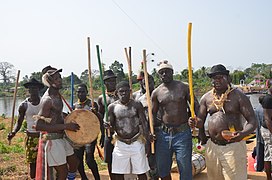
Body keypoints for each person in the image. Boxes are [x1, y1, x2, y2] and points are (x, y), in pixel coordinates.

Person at [188, 64, 257, 180]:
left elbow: (252, 121)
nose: (217, 81)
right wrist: (193, 122)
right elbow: (200, 122)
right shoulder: (206, 98)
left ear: (228, 78)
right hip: (212, 146)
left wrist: (243, 134)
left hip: (233, 146)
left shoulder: (238, 96)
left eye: (220, 77)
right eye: (214, 78)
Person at [151, 60, 199, 180]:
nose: (164, 74)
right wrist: (150, 131)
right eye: (161, 73)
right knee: (163, 168)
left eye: (166, 72)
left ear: (172, 72)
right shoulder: (156, 93)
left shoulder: (184, 87)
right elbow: (152, 114)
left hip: (182, 133)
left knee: (185, 168)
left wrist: (196, 120)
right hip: (163, 135)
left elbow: (195, 106)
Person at [35, 65, 80, 180]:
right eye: (56, 78)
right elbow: (39, 125)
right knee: (62, 171)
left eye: (60, 77)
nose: (60, 80)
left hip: (61, 136)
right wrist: (66, 126)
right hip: (52, 139)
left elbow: (55, 115)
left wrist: (70, 117)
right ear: (50, 82)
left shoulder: (57, 95)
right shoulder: (47, 100)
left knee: (74, 162)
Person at [107, 81, 151, 180]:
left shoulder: (137, 104)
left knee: (141, 172)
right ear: (116, 93)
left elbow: (144, 123)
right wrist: (108, 126)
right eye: (121, 91)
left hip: (136, 141)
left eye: (126, 91)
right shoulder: (112, 107)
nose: (124, 94)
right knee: (119, 173)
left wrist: (147, 141)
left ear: (130, 92)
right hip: (120, 143)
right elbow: (112, 125)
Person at [7, 78, 44, 179]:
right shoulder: (24, 105)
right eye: (31, 88)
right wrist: (13, 132)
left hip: (44, 137)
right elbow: (19, 122)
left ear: (39, 89)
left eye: (35, 88)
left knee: (44, 162)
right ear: (28, 90)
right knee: (32, 163)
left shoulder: (45, 102)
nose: (33, 90)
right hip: (31, 138)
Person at [73, 83, 101, 180]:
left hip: (90, 136)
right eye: (79, 92)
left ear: (87, 92)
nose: (80, 94)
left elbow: (99, 120)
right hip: (78, 136)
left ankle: (97, 178)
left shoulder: (92, 104)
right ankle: (84, 178)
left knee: (89, 159)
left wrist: (95, 113)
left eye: (83, 92)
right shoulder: (75, 105)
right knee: (78, 160)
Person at [97, 69, 118, 179]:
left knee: (121, 158)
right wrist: (102, 134)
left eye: (114, 81)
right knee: (109, 159)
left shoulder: (121, 95)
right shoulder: (101, 98)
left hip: (121, 133)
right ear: (105, 83)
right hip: (108, 133)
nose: (112, 83)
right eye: (109, 81)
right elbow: (100, 117)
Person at [138, 74, 159, 180]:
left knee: (161, 157)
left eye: (149, 82)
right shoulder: (140, 100)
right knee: (149, 156)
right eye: (144, 83)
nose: (148, 85)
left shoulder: (160, 95)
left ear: (153, 82)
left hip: (160, 130)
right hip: (146, 133)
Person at [261, 86, 272, 179]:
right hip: (269, 130)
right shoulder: (268, 99)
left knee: (268, 155)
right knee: (269, 156)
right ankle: (269, 177)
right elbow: (268, 119)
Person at [254, 96, 265, 172]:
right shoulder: (265, 110)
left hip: (258, 134)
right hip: (266, 133)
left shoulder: (256, 110)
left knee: (259, 152)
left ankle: (259, 168)